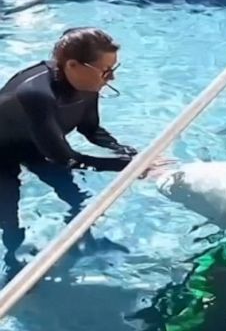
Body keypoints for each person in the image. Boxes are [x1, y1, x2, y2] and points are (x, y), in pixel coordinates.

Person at [0, 27, 169, 277]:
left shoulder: (86, 83)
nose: (110, 79)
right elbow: (65, 158)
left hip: (39, 145)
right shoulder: (35, 93)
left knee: (75, 196)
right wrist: (128, 166)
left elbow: (91, 129)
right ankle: (13, 266)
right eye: (105, 71)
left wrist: (131, 153)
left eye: (113, 70)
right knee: (8, 215)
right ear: (73, 65)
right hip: (2, 154)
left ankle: (83, 241)